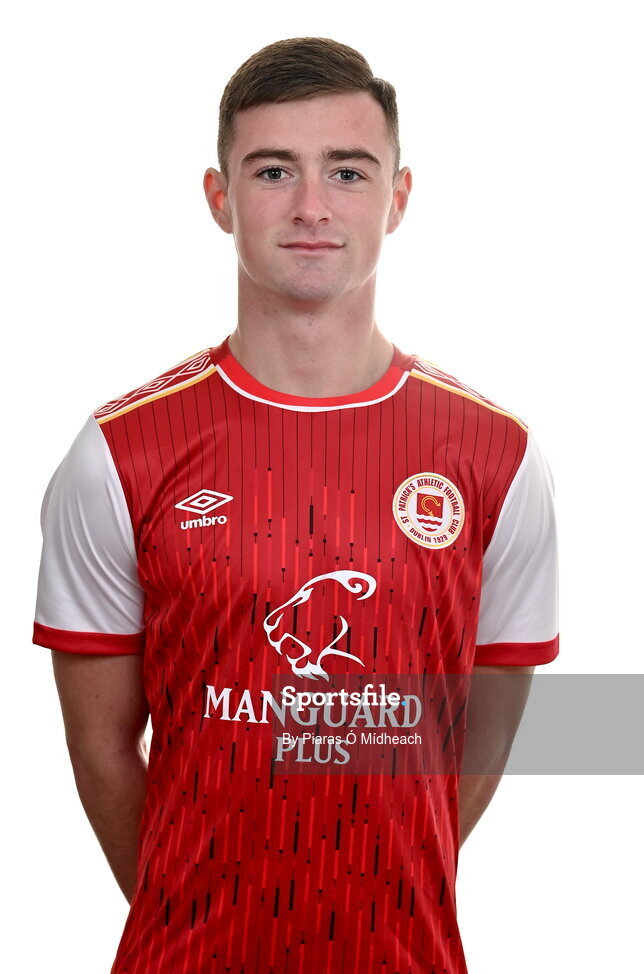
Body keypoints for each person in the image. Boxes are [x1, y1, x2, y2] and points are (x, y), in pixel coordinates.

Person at [32, 36, 559, 974]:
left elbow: (494, 719)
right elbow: (101, 747)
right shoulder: (119, 453)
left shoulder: (497, 458)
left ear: (397, 199)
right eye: (274, 170)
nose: (312, 206)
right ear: (219, 197)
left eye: (348, 172)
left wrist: (393, 875)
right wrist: (196, 902)